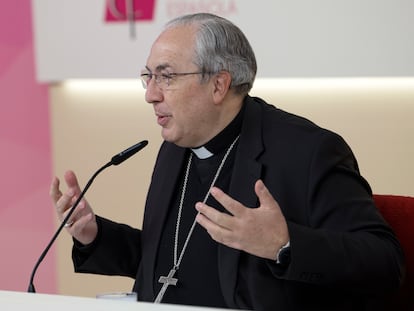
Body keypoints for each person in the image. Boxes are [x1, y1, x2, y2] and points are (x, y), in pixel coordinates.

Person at [50, 12, 404, 310]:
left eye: (166, 76)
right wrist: (95, 236)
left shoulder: (309, 151)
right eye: (149, 76)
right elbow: (174, 263)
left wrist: (284, 245)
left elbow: (385, 264)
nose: (150, 94)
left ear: (219, 85)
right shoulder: (177, 147)